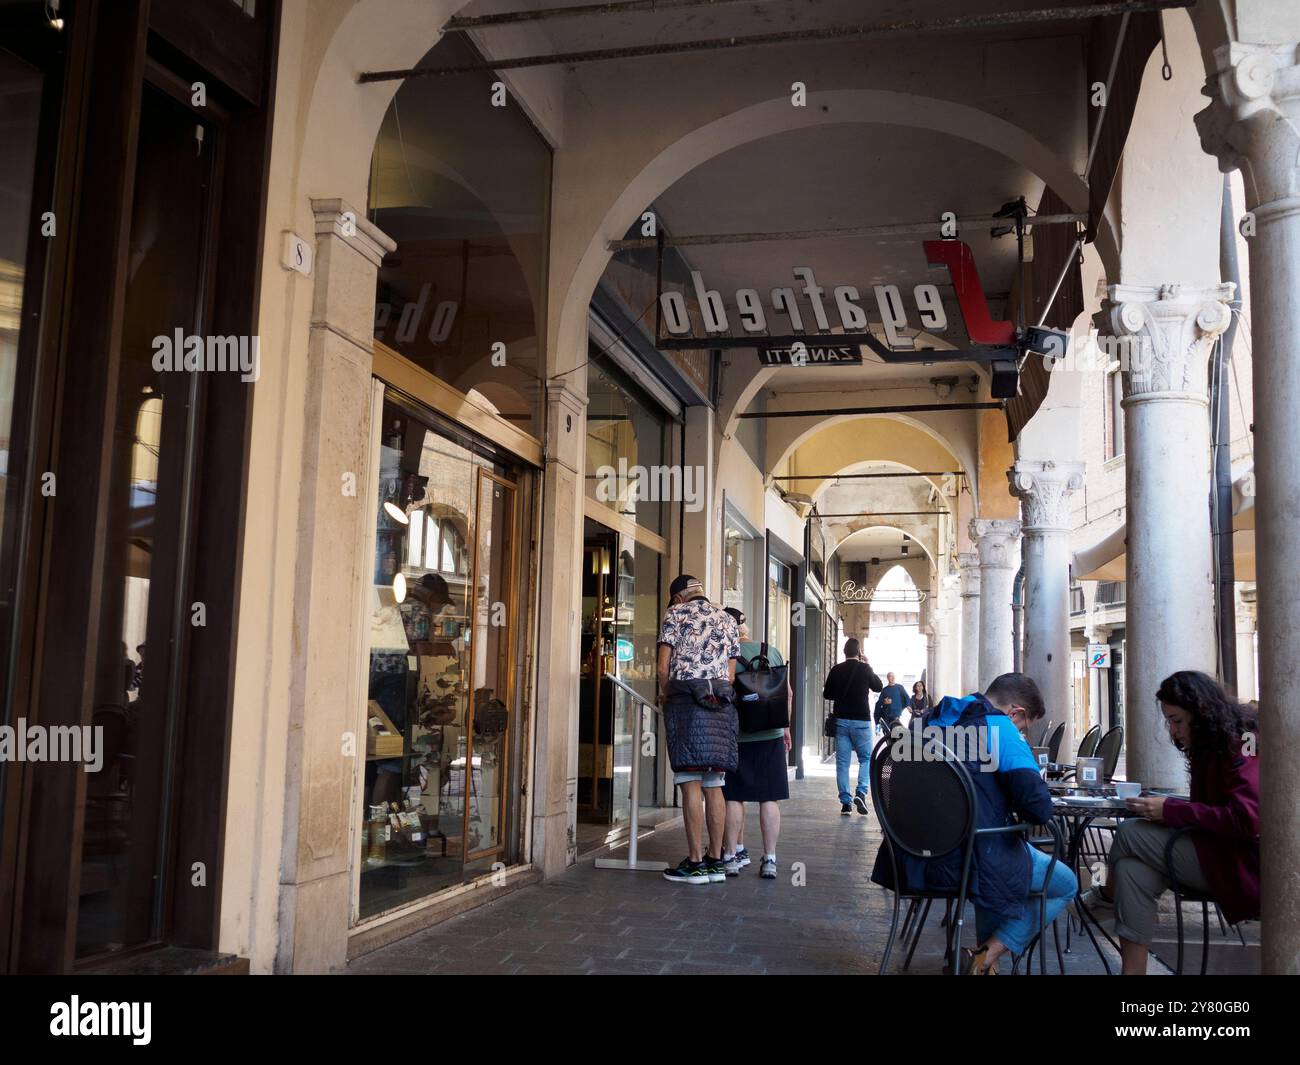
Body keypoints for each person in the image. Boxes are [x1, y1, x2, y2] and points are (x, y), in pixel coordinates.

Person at [870, 672, 1077, 974]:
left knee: (987, 846)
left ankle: (981, 964)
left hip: (913, 860)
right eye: (1024, 727)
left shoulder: (928, 721)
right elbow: (1039, 808)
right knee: (1062, 883)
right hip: (973, 862)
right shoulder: (1000, 728)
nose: (1021, 733)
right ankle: (985, 956)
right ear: (1015, 712)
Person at [1077, 671, 1259, 975]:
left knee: (1129, 833)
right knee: (1131, 870)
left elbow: (1246, 819)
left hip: (1241, 865)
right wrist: (1167, 807)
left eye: (1176, 720)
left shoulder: (1242, 742)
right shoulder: (1212, 743)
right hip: (1214, 851)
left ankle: (1103, 898)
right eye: (1169, 722)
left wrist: (1172, 810)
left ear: (1200, 713)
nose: (1172, 731)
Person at [657, 574, 741, 885]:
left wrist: (666, 694)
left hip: (686, 704)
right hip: (719, 704)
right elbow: (731, 674)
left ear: (678, 597)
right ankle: (716, 862)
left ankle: (694, 864)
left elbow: (663, 667)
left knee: (690, 781)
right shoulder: (726, 618)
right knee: (714, 783)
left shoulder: (675, 615)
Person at [720, 608, 791, 880]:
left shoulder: (727, 654)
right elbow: (787, 693)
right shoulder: (770, 650)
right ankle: (770, 859)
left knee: (733, 796)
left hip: (737, 735)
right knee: (769, 797)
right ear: (746, 626)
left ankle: (731, 857)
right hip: (770, 734)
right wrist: (785, 728)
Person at [822, 638, 883, 815]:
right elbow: (878, 687)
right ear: (859, 653)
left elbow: (827, 694)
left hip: (841, 722)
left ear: (844, 652)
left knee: (842, 764)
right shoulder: (865, 668)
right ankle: (861, 793)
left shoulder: (836, 669)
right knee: (866, 759)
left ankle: (846, 803)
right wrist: (868, 663)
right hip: (862, 723)